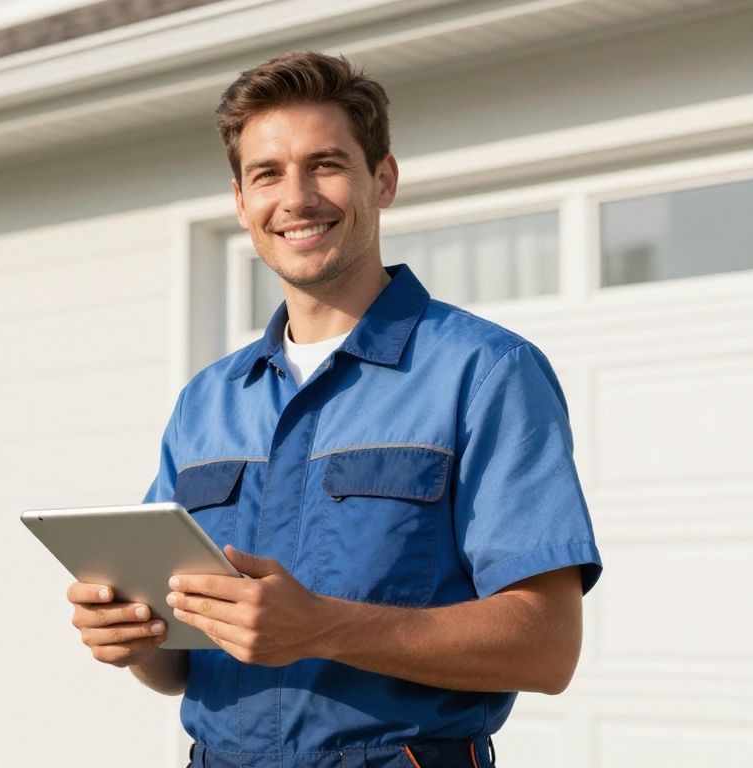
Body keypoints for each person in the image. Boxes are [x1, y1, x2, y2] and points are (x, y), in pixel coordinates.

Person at [65, 51, 602, 768]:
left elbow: (547, 647)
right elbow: (178, 669)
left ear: (382, 180)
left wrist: (323, 627)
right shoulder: (208, 402)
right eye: (267, 174)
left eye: (325, 164)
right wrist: (131, 642)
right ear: (240, 201)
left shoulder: (486, 372)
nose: (296, 198)